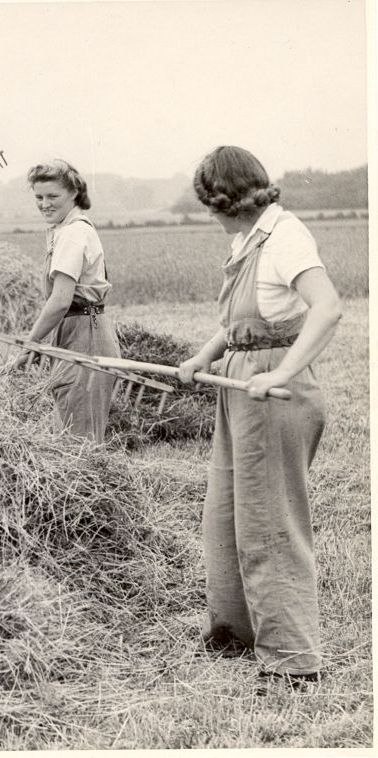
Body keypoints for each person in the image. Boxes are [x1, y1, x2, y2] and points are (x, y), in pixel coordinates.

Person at [179, 146, 341, 689]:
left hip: (274, 394)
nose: (210, 216)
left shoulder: (286, 236)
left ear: (223, 200)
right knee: (226, 515)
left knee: (270, 524)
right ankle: (234, 631)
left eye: (210, 205)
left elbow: (327, 307)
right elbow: (246, 321)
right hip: (239, 385)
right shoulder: (246, 239)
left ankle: (294, 659)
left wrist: (282, 373)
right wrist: (206, 354)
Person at [19, 159, 120, 442]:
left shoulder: (74, 233)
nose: (44, 204)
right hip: (74, 329)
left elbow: (60, 300)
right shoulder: (61, 230)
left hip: (86, 333)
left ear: (73, 193)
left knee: (80, 442)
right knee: (67, 430)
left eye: (53, 196)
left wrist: (32, 341)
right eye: (38, 197)